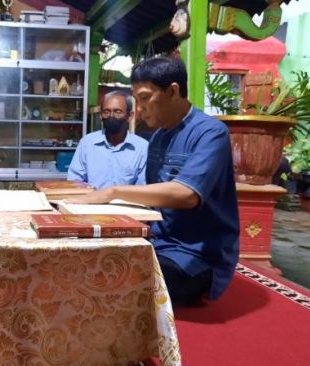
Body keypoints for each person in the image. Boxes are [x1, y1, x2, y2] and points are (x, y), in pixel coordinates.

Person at [69, 56, 239, 305]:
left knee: (118, 281)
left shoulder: (211, 133)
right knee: (87, 260)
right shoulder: (158, 138)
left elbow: (187, 195)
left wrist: (113, 191)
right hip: (158, 240)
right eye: (136, 100)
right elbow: (152, 201)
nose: (138, 109)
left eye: (145, 98)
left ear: (172, 91)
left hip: (196, 255)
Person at [67, 90, 148, 189]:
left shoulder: (142, 148)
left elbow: (142, 189)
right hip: (91, 203)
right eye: (106, 111)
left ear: (129, 116)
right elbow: (74, 182)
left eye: (118, 111)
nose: (111, 116)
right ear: (101, 115)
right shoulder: (87, 143)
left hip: (127, 204)